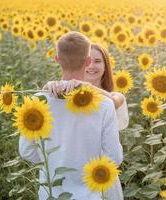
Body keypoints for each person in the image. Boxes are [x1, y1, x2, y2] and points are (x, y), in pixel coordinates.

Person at [19, 32, 123, 200]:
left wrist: (55, 160)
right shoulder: (104, 104)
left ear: (57, 59)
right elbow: (114, 158)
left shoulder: (37, 101)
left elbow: (27, 151)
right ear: (88, 61)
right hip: (92, 194)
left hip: (51, 193)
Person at [43, 44, 129, 200]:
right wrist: (49, 88)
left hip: (101, 174)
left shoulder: (114, 97)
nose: (92, 66)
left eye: (98, 61)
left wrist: (88, 88)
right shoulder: (68, 96)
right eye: (89, 61)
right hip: (68, 173)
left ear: (106, 66)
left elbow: (113, 102)